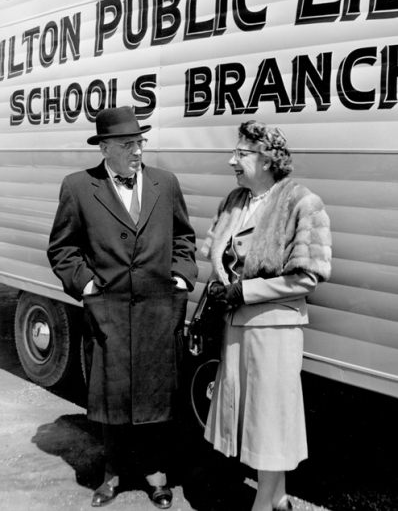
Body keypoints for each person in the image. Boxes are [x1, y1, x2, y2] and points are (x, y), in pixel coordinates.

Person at [47, 106, 198, 509]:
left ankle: (155, 474)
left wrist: (182, 277)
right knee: (112, 399)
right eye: (128, 144)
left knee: (155, 396)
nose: (137, 151)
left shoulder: (165, 183)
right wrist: (89, 285)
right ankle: (111, 472)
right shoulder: (79, 186)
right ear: (106, 148)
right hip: (108, 312)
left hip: (157, 311)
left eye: (140, 142)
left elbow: (184, 237)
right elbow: (63, 249)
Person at [200, 120, 332, 511]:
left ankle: (263, 503)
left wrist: (245, 290)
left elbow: (308, 275)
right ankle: (279, 499)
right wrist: (206, 308)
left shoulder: (302, 203)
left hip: (274, 328)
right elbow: (216, 259)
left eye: (241, 154)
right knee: (253, 419)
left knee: (269, 420)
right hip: (236, 326)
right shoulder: (235, 201)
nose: (231, 161)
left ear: (268, 159)